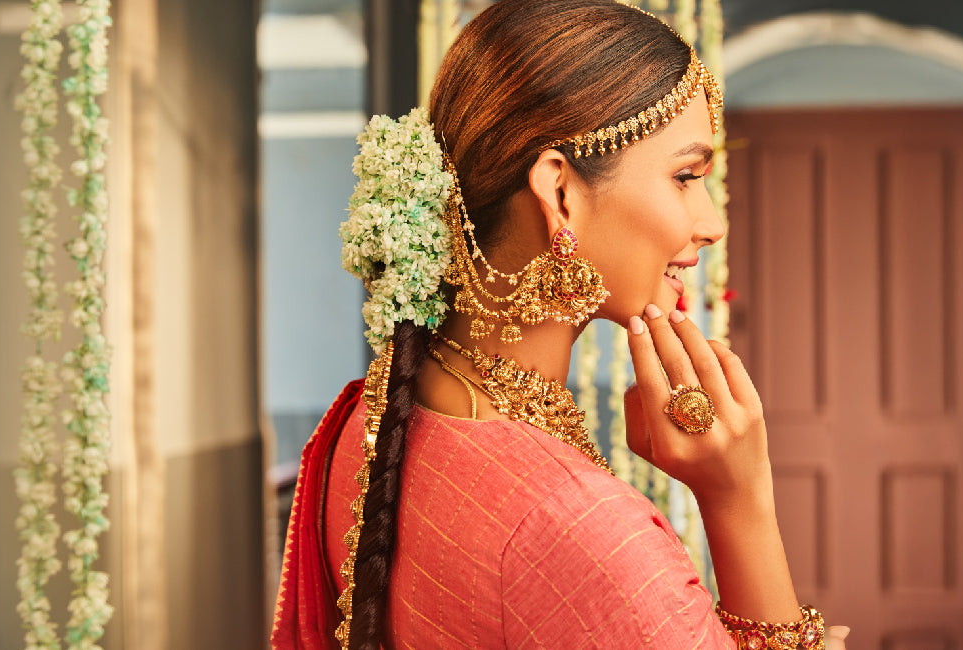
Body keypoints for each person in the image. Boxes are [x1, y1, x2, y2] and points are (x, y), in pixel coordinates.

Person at [271, 1, 848, 647]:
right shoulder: (582, 529)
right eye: (686, 177)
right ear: (560, 194)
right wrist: (741, 502)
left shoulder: (375, 413)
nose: (713, 224)